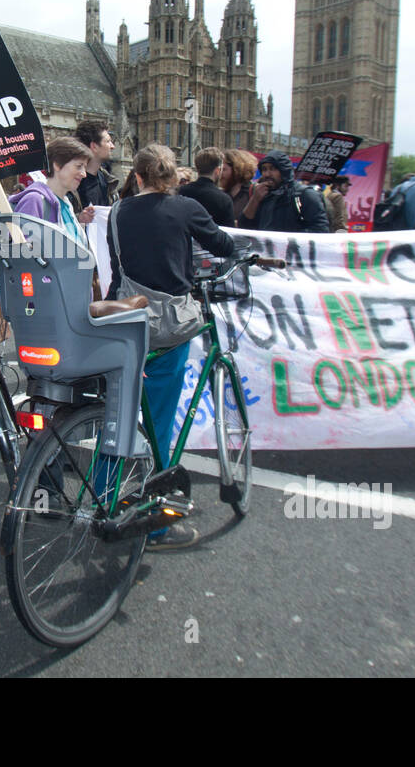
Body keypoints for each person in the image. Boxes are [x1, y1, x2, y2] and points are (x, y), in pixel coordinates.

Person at [106, 144, 234, 550]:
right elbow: (222, 245)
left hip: (126, 319)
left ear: (138, 177)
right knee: (160, 420)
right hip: (168, 326)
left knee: (117, 413)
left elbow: (117, 268)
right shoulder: (185, 208)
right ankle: (157, 524)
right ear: (172, 177)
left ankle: (102, 495)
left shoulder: (117, 212)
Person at [9, 136, 97, 239]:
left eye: (85, 167)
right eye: (79, 166)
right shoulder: (35, 200)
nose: (84, 174)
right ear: (57, 164)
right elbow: (22, 251)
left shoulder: (67, 205)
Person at [236, 151, 330, 233]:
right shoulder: (262, 196)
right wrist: (255, 200)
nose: (267, 174)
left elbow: (320, 230)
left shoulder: (305, 195)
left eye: (273, 169)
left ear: (284, 171)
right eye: (264, 169)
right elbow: (244, 227)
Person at [177, 147, 234, 227]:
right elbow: (229, 232)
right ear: (217, 171)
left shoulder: (181, 192)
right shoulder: (224, 200)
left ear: (197, 168)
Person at [74, 120, 117, 208]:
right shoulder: (74, 184)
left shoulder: (106, 179)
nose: (113, 146)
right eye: (108, 141)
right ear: (94, 146)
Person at [219, 149, 258, 224]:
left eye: (224, 170)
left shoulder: (254, 191)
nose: (220, 174)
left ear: (236, 169)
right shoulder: (221, 194)